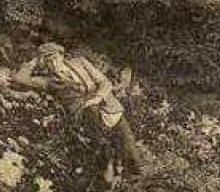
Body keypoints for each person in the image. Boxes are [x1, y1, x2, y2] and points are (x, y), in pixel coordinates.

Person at [12, 42, 147, 178]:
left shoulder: (80, 63)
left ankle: (136, 174)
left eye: (54, 58)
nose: (52, 63)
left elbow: (105, 82)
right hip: (83, 116)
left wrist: (96, 98)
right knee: (102, 148)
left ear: (61, 55)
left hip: (106, 105)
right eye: (47, 61)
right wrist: (35, 60)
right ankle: (110, 168)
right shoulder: (49, 81)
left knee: (131, 152)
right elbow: (19, 78)